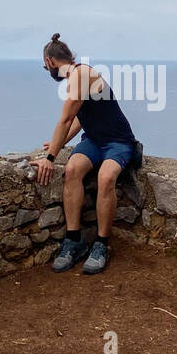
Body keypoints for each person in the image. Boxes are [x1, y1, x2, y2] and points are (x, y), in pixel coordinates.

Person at [31, 33, 137, 275]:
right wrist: (58, 144)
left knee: (106, 178)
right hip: (93, 141)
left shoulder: (81, 75)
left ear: (49, 61)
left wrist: (50, 158)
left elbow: (66, 119)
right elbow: (79, 118)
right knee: (72, 170)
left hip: (118, 142)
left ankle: (101, 244)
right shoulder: (77, 75)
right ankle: (74, 240)